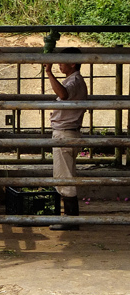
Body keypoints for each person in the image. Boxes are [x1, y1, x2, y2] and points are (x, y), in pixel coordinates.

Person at [45, 47, 88, 231]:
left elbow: (63, 94)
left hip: (65, 133)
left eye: (62, 61)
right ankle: (70, 218)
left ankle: (71, 220)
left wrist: (48, 73)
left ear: (72, 63)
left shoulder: (75, 81)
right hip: (66, 132)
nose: (59, 64)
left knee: (65, 177)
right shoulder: (74, 80)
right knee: (65, 175)